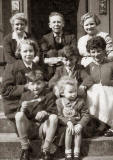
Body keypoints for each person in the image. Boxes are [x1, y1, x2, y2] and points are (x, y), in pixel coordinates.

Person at [16, 70, 57, 160]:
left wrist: (45, 112)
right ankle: (25, 148)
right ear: (28, 85)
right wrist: (22, 108)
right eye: (32, 84)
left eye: (38, 83)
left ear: (44, 83)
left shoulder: (49, 95)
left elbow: (54, 111)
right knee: (18, 115)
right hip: (30, 127)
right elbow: (21, 117)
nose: (35, 87)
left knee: (53, 117)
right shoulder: (25, 95)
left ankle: (45, 150)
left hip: (44, 127)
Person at [55, 76, 90, 160]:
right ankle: (68, 152)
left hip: (77, 123)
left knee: (78, 131)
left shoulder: (80, 101)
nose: (74, 94)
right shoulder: (59, 102)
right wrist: (68, 122)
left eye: (75, 91)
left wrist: (80, 125)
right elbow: (59, 115)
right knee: (68, 130)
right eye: (70, 92)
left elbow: (86, 115)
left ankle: (77, 151)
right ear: (62, 93)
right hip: (65, 125)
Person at [86, 36, 113, 137]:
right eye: (93, 52)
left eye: (99, 51)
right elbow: (87, 79)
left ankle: (111, 125)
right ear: (89, 52)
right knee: (93, 93)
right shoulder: (89, 66)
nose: (96, 54)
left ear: (104, 50)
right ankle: (102, 124)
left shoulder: (110, 64)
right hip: (97, 92)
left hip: (110, 90)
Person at [40, 12, 79, 80]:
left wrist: (59, 59)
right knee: (51, 53)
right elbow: (44, 55)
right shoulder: (45, 38)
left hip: (67, 67)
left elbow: (74, 52)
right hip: (51, 70)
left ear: (63, 24)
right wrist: (49, 59)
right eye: (54, 22)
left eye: (59, 22)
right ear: (50, 25)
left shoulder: (71, 37)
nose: (56, 24)